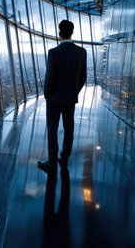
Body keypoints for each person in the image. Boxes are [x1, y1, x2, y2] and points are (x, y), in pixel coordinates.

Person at [37, 19, 86, 172]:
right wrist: (74, 91)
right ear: (72, 33)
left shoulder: (54, 53)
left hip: (54, 99)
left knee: (53, 129)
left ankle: (52, 163)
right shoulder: (82, 52)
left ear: (59, 34)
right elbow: (83, 77)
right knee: (69, 128)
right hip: (70, 98)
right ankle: (64, 158)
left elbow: (50, 77)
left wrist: (47, 94)